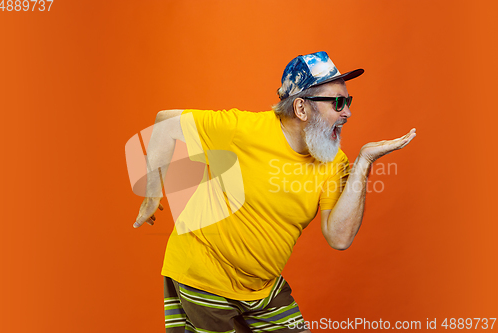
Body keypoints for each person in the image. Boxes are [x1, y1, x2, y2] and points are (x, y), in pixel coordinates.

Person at [133, 51, 416, 333]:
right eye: (338, 103)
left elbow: (339, 237)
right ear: (302, 108)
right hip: (204, 275)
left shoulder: (333, 161)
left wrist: (364, 162)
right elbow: (166, 122)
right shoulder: (243, 130)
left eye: (348, 101)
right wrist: (152, 193)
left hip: (261, 287)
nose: (348, 112)